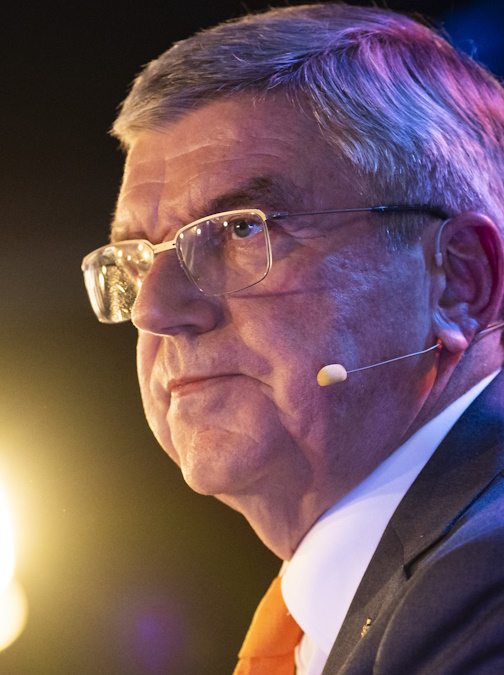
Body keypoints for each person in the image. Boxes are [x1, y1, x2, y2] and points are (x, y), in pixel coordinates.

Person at [81, 4, 504, 674]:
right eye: (135, 258)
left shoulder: (485, 591)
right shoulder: (357, 612)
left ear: (459, 280)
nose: (155, 309)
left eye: (240, 231)